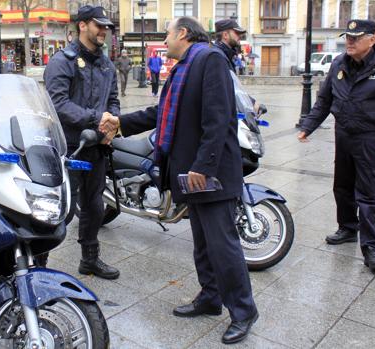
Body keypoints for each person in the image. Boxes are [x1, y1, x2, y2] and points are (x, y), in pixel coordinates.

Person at [100, 17, 258, 344]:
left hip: (208, 175)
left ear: (183, 33)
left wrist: (204, 166)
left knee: (224, 247)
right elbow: (163, 113)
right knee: (203, 244)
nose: (165, 39)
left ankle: (244, 311)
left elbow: (218, 120)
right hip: (191, 175)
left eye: (168, 34)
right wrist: (121, 122)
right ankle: (211, 298)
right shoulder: (185, 66)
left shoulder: (209, 59)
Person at [298, 20, 375, 272]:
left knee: (369, 195)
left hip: (372, 139)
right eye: (347, 37)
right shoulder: (339, 63)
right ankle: (347, 228)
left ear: (372, 39)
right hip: (344, 136)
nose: (349, 41)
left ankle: (372, 248)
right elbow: (324, 99)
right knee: (342, 187)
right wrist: (308, 126)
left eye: (356, 37)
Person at [44, 4, 121, 279]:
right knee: (60, 211)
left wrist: (113, 123)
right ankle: (38, 264)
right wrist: (97, 118)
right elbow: (58, 103)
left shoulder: (106, 64)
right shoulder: (62, 61)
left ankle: (90, 259)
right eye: (99, 25)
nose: (104, 31)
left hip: (97, 148)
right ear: (83, 25)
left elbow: (113, 100)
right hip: (68, 148)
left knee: (94, 206)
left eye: (106, 27)